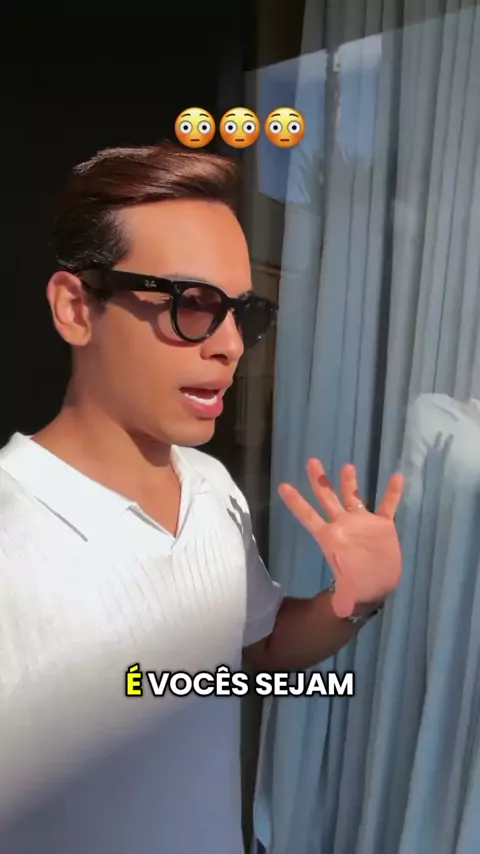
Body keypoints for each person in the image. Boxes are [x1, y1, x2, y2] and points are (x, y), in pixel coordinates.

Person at [0, 141, 403, 854]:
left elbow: (256, 651)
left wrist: (353, 600)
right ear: (76, 308)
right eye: (192, 304)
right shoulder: (13, 534)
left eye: (242, 313)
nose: (231, 346)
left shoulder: (210, 485)